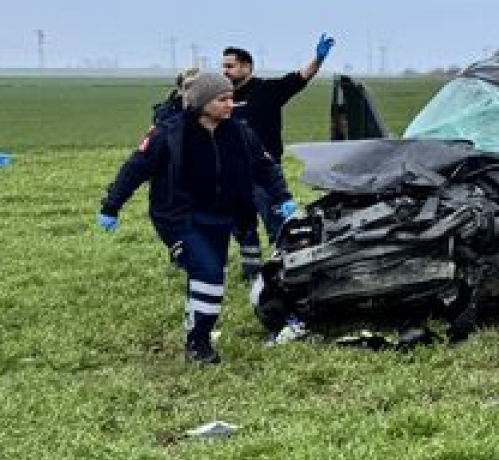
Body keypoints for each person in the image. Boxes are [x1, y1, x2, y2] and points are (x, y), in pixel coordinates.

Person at [97, 71, 297, 364]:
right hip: (179, 218)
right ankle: (199, 345)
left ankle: (195, 332)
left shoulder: (241, 133)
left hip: (221, 218)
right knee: (208, 273)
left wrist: (283, 197)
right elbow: (135, 168)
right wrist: (111, 206)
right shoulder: (169, 134)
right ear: (203, 102)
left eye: (231, 98)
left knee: (206, 275)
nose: (231, 104)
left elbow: (265, 167)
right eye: (223, 99)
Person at [223, 36, 331, 272]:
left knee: (277, 225)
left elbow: (301, 77)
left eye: (229, 66)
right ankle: (251, 271)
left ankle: (283, 269)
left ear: (246, 67)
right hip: (233, 175)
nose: (225, 71)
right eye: (223, 66)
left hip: (264, 174)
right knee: (242, 227)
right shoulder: (223, 99)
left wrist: (318, 58)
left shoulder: (268, 90)